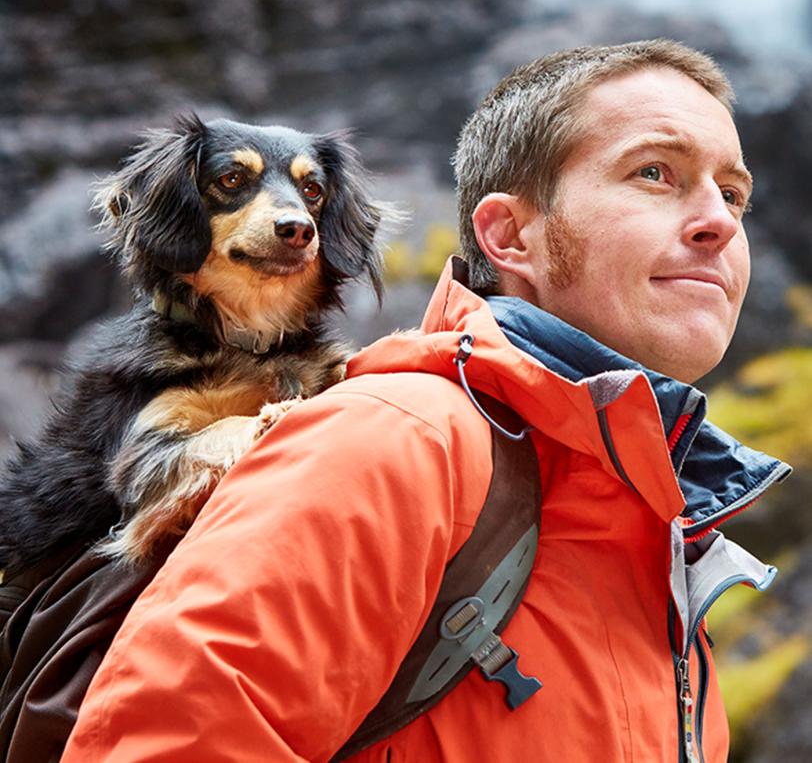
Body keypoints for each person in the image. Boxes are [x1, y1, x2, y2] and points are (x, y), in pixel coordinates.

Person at [61, 39, 789, 762]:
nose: (719, 222)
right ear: (509, 235)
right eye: (655, 172)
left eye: (733, 194)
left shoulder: (661, 534)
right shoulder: (387, 444)